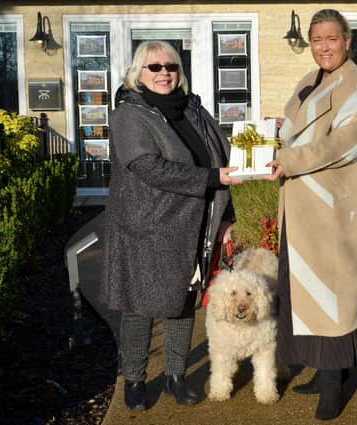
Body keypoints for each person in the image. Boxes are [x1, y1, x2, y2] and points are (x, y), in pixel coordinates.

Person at [100, 40, 242, 411]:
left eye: (171, 66)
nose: (164, 73)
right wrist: (212, 177)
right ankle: (134, 379)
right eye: (155, 67)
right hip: (146, 228)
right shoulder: (129, 115)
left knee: (183, 302)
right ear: (138, 73)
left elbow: (221, 157)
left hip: (192, 221)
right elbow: (147, 166)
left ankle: (175, 376)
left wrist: (227, 216)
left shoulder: (193, 110)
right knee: (140, 306)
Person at [265, 9, 357, 421]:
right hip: (302, 209)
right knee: (306, 295)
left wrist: (288, 159)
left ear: (347, 41)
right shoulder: (311, 81)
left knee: (333, 299)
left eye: (331, 39)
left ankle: (333, 388)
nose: (323, 47)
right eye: (317, 40)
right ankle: (323, 372)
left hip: (336, 212)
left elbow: (342, 144)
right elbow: (303, 130)